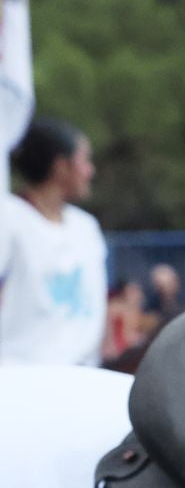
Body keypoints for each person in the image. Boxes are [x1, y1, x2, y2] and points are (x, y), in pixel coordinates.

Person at [0, 116, 109, 367]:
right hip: (21, 378)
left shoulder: (86, 227)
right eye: (84, 160)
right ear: (61, 166)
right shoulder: (9, 217)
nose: (90, 170)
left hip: (82, 377)